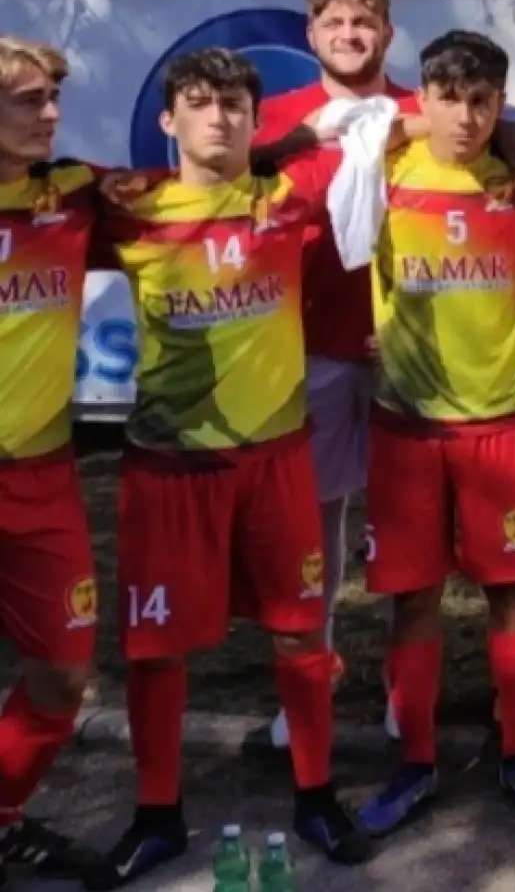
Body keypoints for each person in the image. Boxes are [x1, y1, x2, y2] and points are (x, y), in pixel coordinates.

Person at [92, 49, 371, 886]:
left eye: (235, 106)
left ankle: (317, 796)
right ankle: (156, 814)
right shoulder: (124, 208)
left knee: (299, 632)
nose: (218, 117)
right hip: (171, 468)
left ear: (258, 121)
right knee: (155, 650)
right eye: (200, 103)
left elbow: (404, 125)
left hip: (277, 462)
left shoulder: (291, 194)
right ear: (169, 119)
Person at [355, 31, 515, 837]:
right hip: (408, 428)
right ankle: (413, 762)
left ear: (501, 100)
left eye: (484, 100)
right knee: (412, 602)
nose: (467, 116)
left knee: (513, 595)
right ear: (423, 99)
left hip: (502, 424)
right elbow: (329, 134)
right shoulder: (381, 168)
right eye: (448, 98)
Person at [252, 0, 420, 749]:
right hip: (311, 342)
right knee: (313, 530)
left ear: (386, 33)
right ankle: (307, 689)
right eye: (335, 24)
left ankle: (403, 689)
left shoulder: (421, 113)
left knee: (404, 527)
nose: (350, 36)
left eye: (364, 23)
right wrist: (293, 143)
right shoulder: (280, 120)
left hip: (405, 353)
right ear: (312, 33)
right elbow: (223, 184)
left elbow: (501, 138)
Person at [0, 38, 122, 886]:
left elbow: (211, 176)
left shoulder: (74, 194)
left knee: (63, 669)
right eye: (28, 101)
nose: (50, 115)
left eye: (54, 99)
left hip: (41, 473)